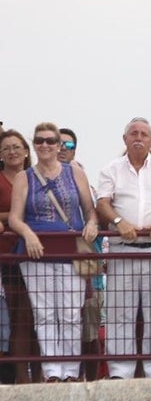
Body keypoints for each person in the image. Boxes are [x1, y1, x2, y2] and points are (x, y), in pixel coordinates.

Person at [95, 117, 151, 379]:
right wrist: (118, 221)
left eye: (144, 134)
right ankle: (119, 371)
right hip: (123, 246)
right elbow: (103, 202)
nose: (138, 137)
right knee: (119, 312)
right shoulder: (111, 168)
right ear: (124, 139)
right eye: (133, 133)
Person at [7, 123, 99, 382]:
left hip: (71, 249)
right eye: (39, 141)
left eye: (50, 141)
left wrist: (91, 224)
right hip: (37, 251)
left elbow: (89, 209)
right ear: (33, 145)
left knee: (71, 312)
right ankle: (51, 372)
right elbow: (15, 217)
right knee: (45, 314)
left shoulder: (74, 173)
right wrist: (27, 234)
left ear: (59, 145)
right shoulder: (26, 177)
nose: (44, 145)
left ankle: (70, 370)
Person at [0, 130, 38, 383]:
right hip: (7, 257)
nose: (12, 151)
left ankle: (42, 376)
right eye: (6, 148)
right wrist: (14, 218)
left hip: (37, 255)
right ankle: (20, 378)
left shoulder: (37, 177)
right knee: (17, 318)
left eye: (16, 146)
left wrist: (12, 218)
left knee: (40, 318)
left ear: (26, 150)